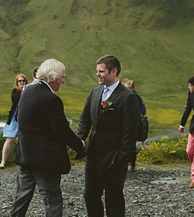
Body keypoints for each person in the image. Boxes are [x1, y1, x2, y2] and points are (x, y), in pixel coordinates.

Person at [10, 59, 85, 217]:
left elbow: (18, 117)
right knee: (53, 200)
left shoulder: (27, 91)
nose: (64, 80)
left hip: (25, 155)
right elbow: (62, 131)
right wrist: (80, 146)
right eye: (62, 76)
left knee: (21, 198)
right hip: (44, 160)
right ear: (53, 77)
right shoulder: (51, 99)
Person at [77, 55, 140, 217]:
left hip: (114, 159)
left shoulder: (128, 97)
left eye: (101, 71)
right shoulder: (95, 92)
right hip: (93, 156)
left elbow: (130, 131)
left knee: (113, 199)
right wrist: (80, 139)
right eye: (97, 71)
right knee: (90, 195)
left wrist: (121, 157)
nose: (97, 74)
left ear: (114, 71)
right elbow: (85, 118)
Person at [0, 74, 27, 169]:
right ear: (17, 83)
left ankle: (23, 161)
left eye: (23, 80)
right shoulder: (15, 92)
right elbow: (16, 99)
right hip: (15, 118)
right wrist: (23, 91)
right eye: (20, 81)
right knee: (10, 139)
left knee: (24, 140)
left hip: (25, 117)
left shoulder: (29, 91)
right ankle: (3, 161)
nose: (22, 82)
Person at [123, 78, 146, 172]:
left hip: (134, 125)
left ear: (133, 88)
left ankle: (132, 164)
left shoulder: (137, 98)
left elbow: (143, 110)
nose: (127, 91)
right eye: (126, 88)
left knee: (132, 145)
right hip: (123, 123)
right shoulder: (122, 97)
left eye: (129, 88)